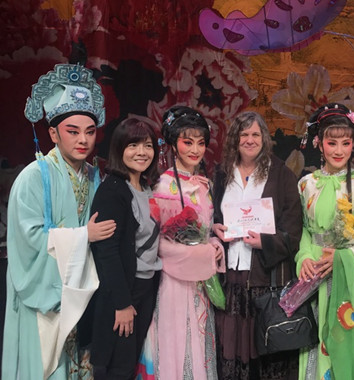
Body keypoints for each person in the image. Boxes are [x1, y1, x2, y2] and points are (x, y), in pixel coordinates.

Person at [2, 63, 116, 380]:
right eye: (73, 131)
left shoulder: (94, 176)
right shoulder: (32, 178)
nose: (83, 140)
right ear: (53, 133)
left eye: (90, 131)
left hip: (82, 292)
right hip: (44, 297)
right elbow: (28, 242)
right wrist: (84, 236)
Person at [296, 103, 354, 379]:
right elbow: (304, 229)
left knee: (346, 339)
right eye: (331, 143)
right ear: (319, 144)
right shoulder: (306, 184)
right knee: (315, 340)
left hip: (349, 279)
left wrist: (341, 257)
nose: (338, 151)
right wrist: (305, 257)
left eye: (345, 143)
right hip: (314, 275)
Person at [136, 106, 225, 379]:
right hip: (173, 281)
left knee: (200, 339)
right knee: (175, 343)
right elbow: (155, 243)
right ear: (174, 145)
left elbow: (204, 230)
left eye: (200, 142)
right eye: (188, 142)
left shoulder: (205, 185)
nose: (195, 150)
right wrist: (201, 254)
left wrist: (214, 242)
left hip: (201, 283)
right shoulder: (162, 187)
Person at [212, 111, 302, 380]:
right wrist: (216, 229)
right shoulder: (222, 173)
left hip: (265, 279)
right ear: (235, 139)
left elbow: (294, 231)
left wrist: (265, 241)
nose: (249, 140)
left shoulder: (282, 174)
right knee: (232, 346)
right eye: (244, 134)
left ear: (264, 138)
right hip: (231, 277)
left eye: (255, 134)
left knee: (264, 349)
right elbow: (214, 216)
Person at [89, 118, 162, 380]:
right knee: (117, 368)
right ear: (119, 148)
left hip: (145, 286)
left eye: (148, 145)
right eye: (133, 145)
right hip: (123, 292)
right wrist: (122, 304)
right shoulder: (112, 190)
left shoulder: (146, 187)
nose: (142, 152)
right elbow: (106, 252)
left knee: (131, 364)